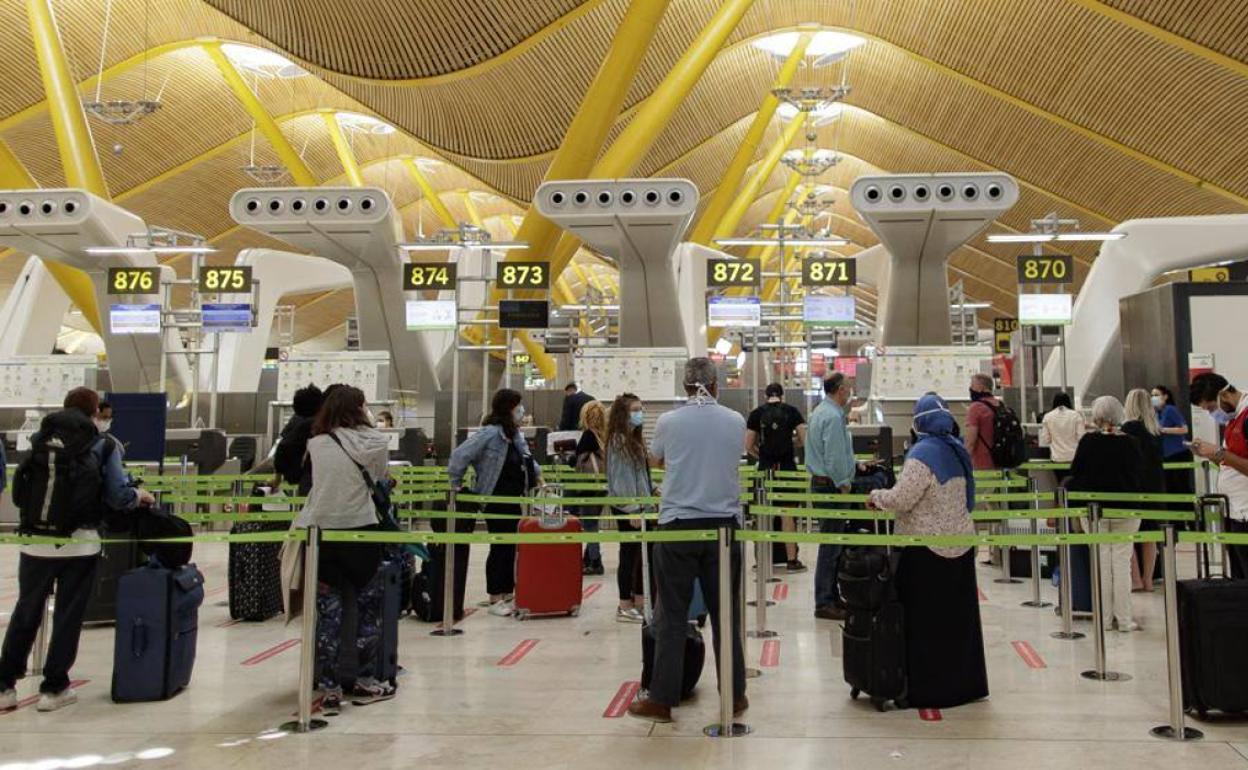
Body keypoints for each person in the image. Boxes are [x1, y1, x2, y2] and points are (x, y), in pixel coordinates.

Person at [0, 387, 154, 712]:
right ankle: (53, 689)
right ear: (95, 411)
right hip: (80, 545)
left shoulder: (41, 438)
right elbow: (116, 494)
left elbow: (19, 494)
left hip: (35, 542)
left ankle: (4, 687)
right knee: (68, 616)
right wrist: (138, 497)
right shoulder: (103, 444)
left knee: (26, 612)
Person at [628, 358, 746, 723]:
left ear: (685, 387)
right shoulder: (735, 420)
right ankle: (735, 692)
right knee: (726, 614)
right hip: (723, 529)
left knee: (672, 614)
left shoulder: (668, 422)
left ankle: (662, 699)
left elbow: (658, 460)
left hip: (678, 525)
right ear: (715, 386)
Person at [866, 394, 988, 708]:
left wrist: (876, 496)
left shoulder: (922, 453)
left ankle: (928, 689)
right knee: (957, 622)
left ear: (919, 422)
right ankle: (964, 685)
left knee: (924, 623)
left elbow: (903, 498)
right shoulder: (957, 449)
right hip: (960, 546)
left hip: (925, 550)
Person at [295, 385, 394, 713]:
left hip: (323, 533)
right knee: (368, 610)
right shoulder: (376, 441)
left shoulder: (316, 443)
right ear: (360, 409)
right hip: (361, 533)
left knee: (329, 613)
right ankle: (364, 680)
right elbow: (380, 477)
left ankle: (329, 685)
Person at [448, 389, 542, 616]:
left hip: (512, 498)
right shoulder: (490, 433)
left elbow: (527, 458)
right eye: (518, 406)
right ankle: (495, 598)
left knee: (510, 546)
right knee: (500, 546)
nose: (521, 411)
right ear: (507, 407)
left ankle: (507, 592)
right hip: (494, 497)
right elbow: (460, 455)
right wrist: (456, 483)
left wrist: (538, 476)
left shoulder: (514, 435)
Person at [1067, 396, 1145, 632]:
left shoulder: (1088, 442)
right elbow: (1139, 474)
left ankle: (1103, 618)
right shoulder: (1132, 442)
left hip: (1094, 510)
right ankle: (1124, 619)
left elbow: (1076, 472)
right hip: (1126, 508)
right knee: (1121, 563)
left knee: (1100, 562)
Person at [807, 372, 857, 621]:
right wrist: (844, 483)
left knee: (831, 544)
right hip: (831, 487)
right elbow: (834, 456)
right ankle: (825, 601)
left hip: (821, 483)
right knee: (831, 546)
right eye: (848, 388)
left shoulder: (820, 412)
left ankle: (831, 596)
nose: (850, 392)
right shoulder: (834, 416)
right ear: (839, 390)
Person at [1189, 373, 1248, 578]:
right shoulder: (1233, 421)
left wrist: (1221, 454)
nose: (1212, 414)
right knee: (1239, 580)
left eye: (1211, 408)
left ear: (1225, 394)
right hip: (1233, 511)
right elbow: (1230, 464)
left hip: (1245, 513)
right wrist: (1210, 455)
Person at [745, 383, 808, 572]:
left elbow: (748, 445)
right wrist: (790, 443)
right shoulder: (792, 412)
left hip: (765, 470)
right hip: (787, 469)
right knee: (787, 515)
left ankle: (763, 559)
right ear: (782, 395)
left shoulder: (757, 414)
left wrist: (761, 456)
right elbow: (804, 439)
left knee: (763, 514)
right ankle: (791, 560)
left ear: (766, 396)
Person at [604, 394, 650, 623]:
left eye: (641, 409)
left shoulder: (633, 439)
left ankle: (640, 600)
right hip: (628, 507)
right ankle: (625, 604)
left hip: (641, 505)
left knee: (641, 554)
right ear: (623, 414)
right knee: (630, 554)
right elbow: (622, 480)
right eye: (635, 409)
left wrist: (651, 493)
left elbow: (639, 476)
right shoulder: (620, 441)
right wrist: (633, 509)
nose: (640, 413)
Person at [1122, 388, 1166, 592]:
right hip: (1155, 487)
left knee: (1129, 533)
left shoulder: (1128, 428)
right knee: (1150, 533)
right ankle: (1148, 580)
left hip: (1134, 486)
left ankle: (1136, 579)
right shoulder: (1155, 429)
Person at [575, 400, 608, 577]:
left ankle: (595, 561)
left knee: (589, 524)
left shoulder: (588, 435)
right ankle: (588, 558)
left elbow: (578, 459)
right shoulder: (604, 435)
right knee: (593, 522)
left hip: (587, 486)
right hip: (601, 486)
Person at [274, 384, 324, 496]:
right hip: (312, 479)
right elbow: (285, 446)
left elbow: (283, 445)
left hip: (305, 479)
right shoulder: (313, 425)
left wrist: (278, 476)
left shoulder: (296, 420)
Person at [1152, 385, 1193, 502]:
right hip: (1166, 456)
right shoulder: (1157, 413)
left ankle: (1190, 517)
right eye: (1152, 395)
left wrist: (1164, 430)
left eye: (1156, 395)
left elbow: (1184, 429)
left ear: (1165, 396)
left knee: (1181, 487)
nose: (1153, 398)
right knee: (1170, 488)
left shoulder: (1170, 409)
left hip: (1178, 454)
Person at [1038, 392, 1085, 483]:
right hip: (1074, 458)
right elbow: (1081, 437)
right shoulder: (1076, 415)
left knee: (1060, 482)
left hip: (1057, 458)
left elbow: (1046, 439)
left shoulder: (1048, 416)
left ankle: (1061, 496)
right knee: (1073, 483)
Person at [964, 373, 1002, 472]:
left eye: (972, 385)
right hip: (1001, 463)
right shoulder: (1000, 405)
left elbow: (970, 442)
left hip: (981, 465)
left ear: (981, 387)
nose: (970, 389)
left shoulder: (975, 408)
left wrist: (963, 463)